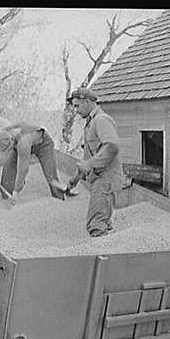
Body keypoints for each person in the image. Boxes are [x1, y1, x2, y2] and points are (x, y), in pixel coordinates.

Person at [67, 87, 124, 237]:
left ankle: (104, 257)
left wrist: (91, 164)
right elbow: (87, 157)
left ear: (87, 102)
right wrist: (74, 180)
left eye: (77, 106)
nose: (76, 110)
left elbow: (112, 145)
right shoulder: (91, 123)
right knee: (100, 223)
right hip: (100, 179)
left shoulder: (101, 120)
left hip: (106, 178)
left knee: (96, 225)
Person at [0, 122, 65, 203]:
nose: (8, 151)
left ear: (11, 141)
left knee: (50, 175)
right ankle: (6, 196)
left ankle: (59, 199)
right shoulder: (3, 133)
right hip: (22, 142)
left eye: (8, 148)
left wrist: (16, 191)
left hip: (43, 144)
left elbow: (23, 169)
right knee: (8, 166)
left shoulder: (23, 143)